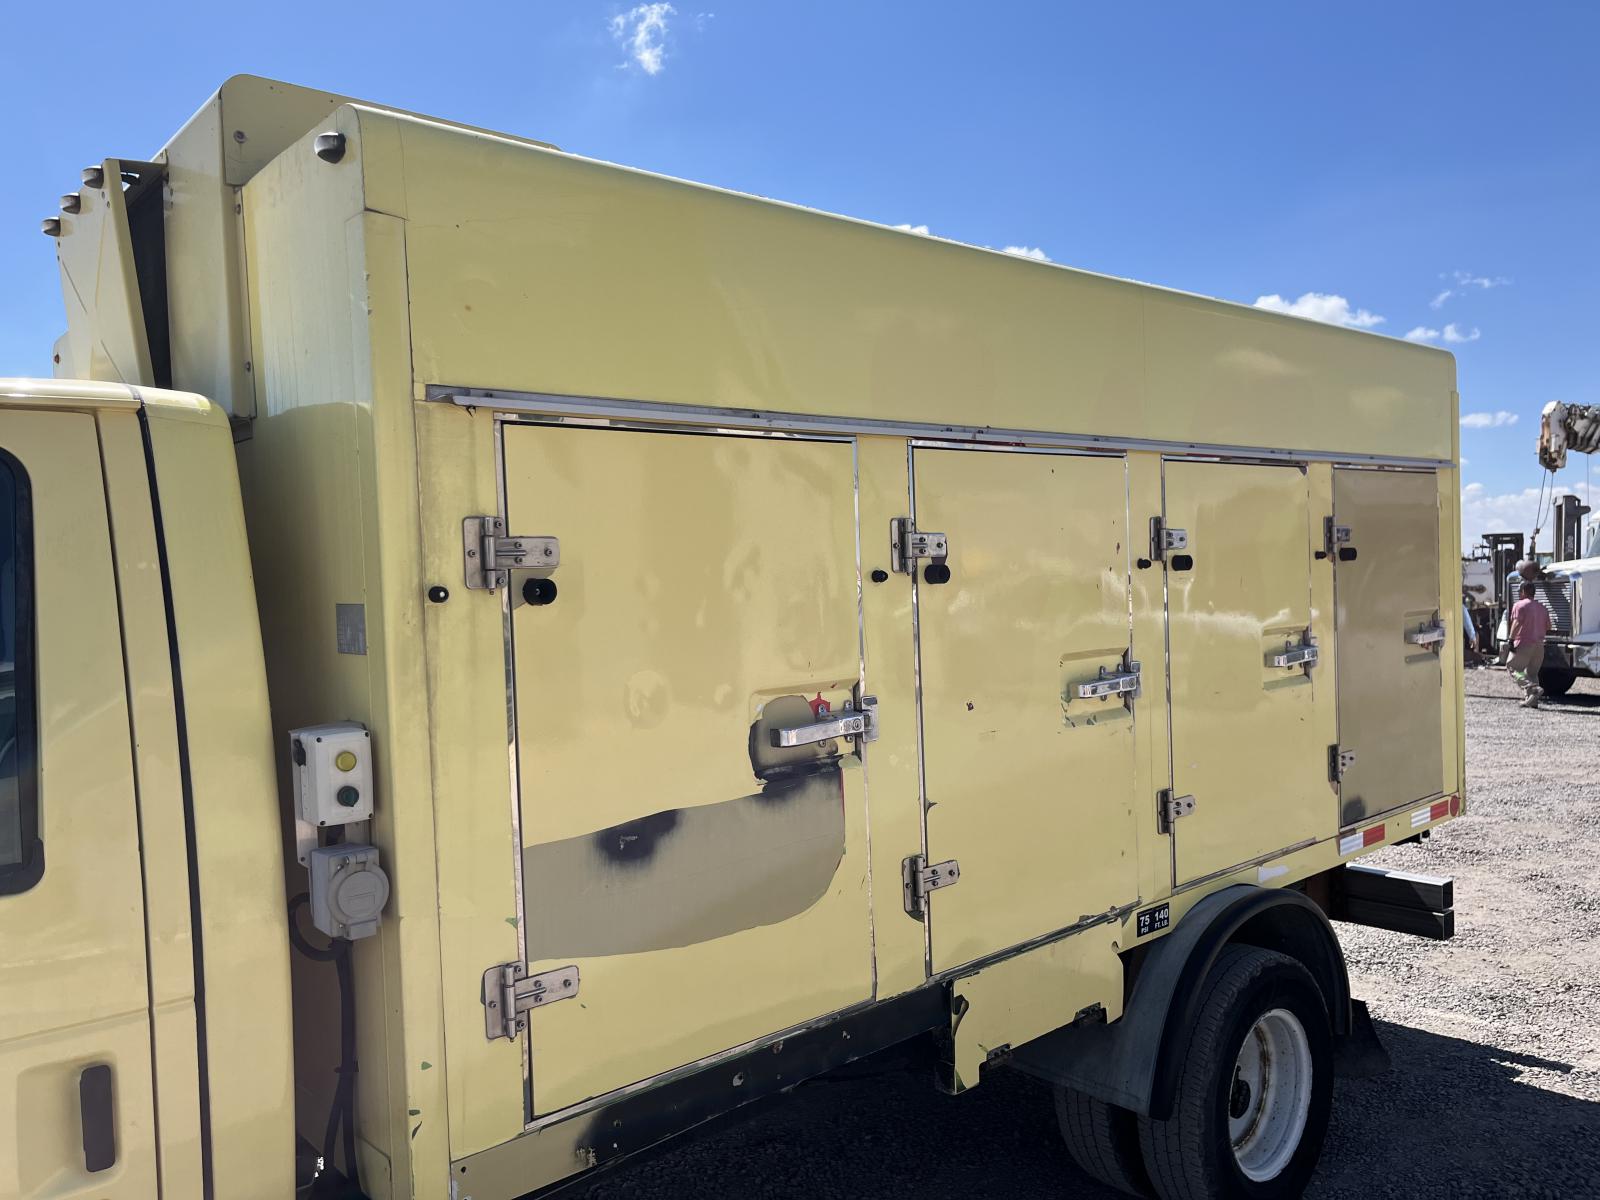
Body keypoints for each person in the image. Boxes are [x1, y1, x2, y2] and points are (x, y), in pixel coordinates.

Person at [1506, 581, 1553, 707]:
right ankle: (1532, 701)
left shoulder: (1520, 605)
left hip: (1524, 643)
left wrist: (1511, 640)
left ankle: (1532, 688)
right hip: (1539, 646)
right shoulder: (1542, 608)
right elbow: (1549, 626)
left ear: (1523, 592)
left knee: (1513, 668)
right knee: (1532, 673)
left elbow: (1517, 623)